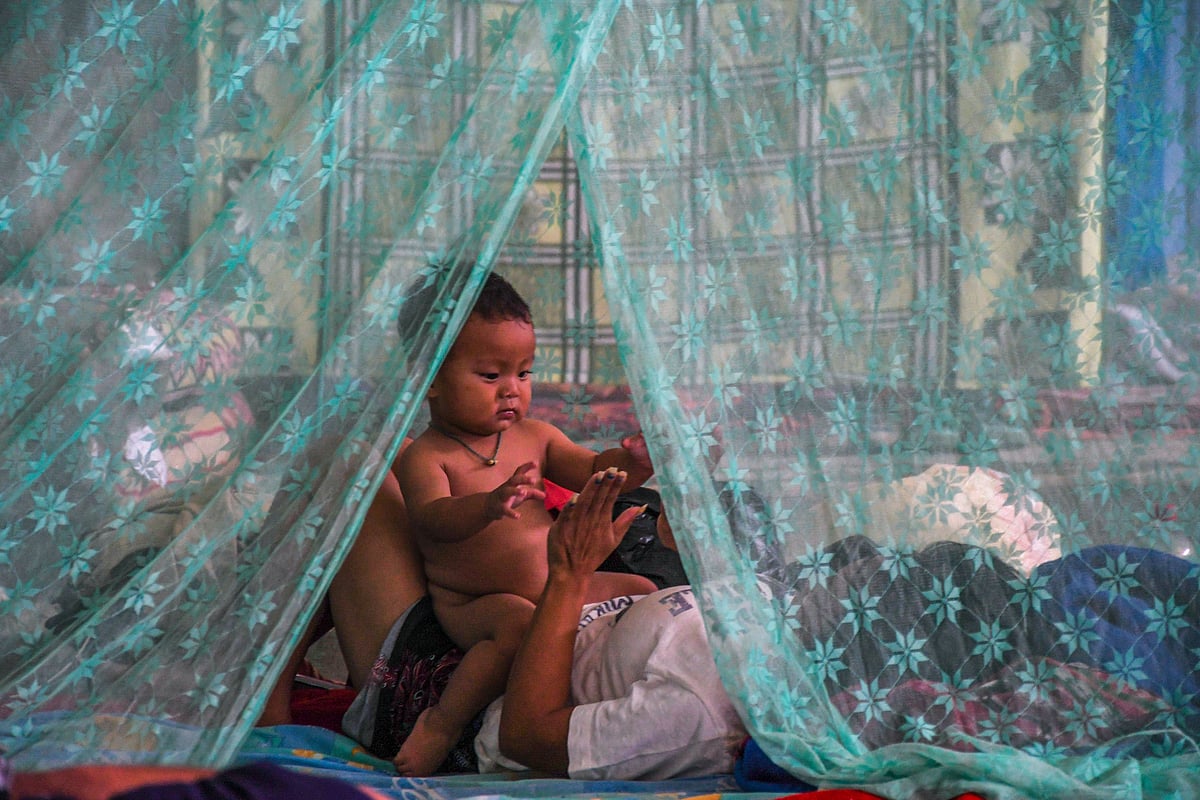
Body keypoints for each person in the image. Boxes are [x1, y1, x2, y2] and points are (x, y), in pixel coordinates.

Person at [391, 272, 656, 775]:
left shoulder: (536, 435)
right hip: (476, 603)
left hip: (557, 590)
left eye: (524, 374)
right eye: (491, 376)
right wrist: (488, 505)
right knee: (515, 626)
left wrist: (634, 462)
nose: (511, 391)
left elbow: (592, 471)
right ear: (428, 382)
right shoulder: (428, 456)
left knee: (641, 589)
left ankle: (622, 696)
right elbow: (432, 519)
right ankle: (442, 724)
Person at [479, 468, 748, 779]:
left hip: (487, 676)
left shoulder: (698, 714)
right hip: (573, 613)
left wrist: (570, 574)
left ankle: (438, 726)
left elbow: (525, 738)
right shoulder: (776, 621)